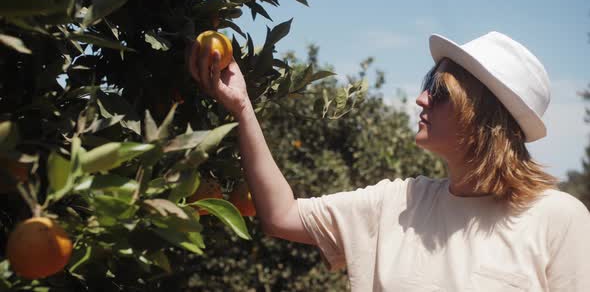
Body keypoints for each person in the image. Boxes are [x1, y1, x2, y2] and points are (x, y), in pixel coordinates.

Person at [189, 31, 590, 291]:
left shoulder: (558, 219)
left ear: (483, 115)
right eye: (425, 85)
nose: (420, 98)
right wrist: (242, 108)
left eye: (438, 90)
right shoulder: (398, 204)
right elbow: (281, 215)